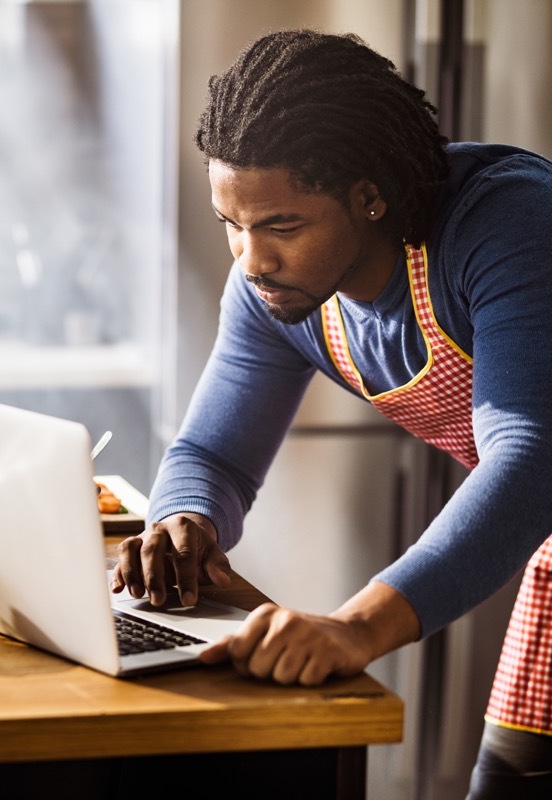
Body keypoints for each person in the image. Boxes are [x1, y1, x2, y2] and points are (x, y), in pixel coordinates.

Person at [109, 29, 552, 798]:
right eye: (231, 224)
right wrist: (188, 521)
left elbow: (533, 451)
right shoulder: (279, 292)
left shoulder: (508, 223)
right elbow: (214, 456)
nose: (250, 261)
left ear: (369, 195)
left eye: (281, 226)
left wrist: (356, 627)